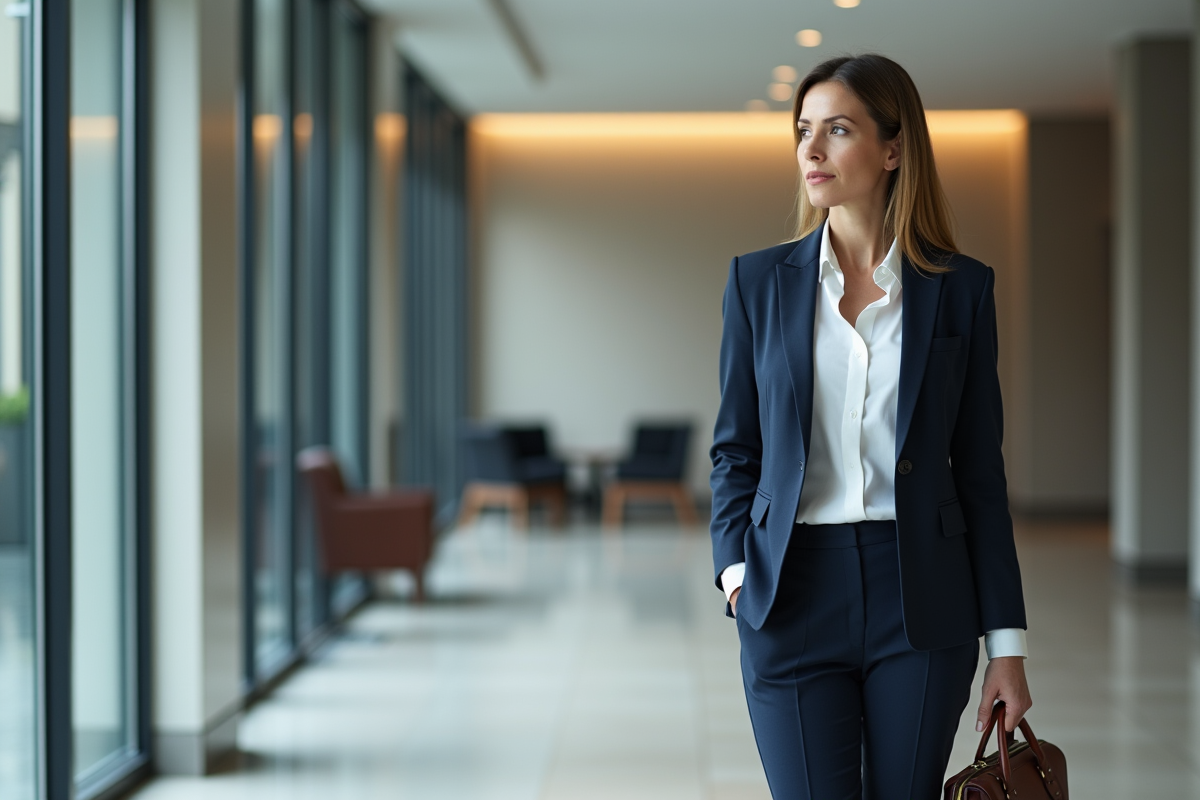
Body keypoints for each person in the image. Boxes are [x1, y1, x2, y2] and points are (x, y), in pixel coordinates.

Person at [709, 54, 1032, 800]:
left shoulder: (960, 289)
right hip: (788, 589)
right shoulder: (757, 283)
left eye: (838, 130)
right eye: (803, 131)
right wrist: (735, 574)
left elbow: (980, 473)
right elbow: (736, 448)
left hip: (919, 594)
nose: (811, 151)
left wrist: (1006, 648)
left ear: (893, 149)